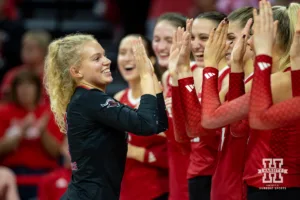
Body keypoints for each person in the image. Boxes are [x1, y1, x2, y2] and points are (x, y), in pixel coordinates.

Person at [43, 33, 168, 200]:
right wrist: (145, 76)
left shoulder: (89, 99)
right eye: (96, 58)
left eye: (104, 55)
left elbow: (158, 123)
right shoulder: (91, 99)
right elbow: (146, 124)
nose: (107, 61)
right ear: (76, 71)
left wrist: (152, 79)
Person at [115, 34, 169, 200]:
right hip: (125, 192)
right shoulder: (118, 98)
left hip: (158, 191)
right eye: (123, 52)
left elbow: (178, 150)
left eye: (135, 52)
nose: (127, 58)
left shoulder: (163, 98)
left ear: (151, 60)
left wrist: (137, 153)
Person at [152, 13, 190, 200]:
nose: (161, 47)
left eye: (169, 40)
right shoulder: (166, 78)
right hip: (176, 174)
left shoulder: (191, 76)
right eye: (157, 39)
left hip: (193, 173)